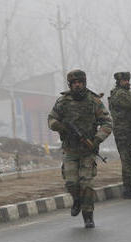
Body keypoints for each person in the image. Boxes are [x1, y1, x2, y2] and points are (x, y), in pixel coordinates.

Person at [48, 69, 112, 228]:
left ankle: (88, 216)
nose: (77, 85)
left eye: (80, 82)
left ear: (84, 83)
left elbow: (107, 122)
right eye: (74, 83)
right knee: (71, 183)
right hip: (70, 150)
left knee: (87, 184)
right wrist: (61, 127)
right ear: (70, 84)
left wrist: (96, 140)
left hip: (88, 151)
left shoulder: (94, 101)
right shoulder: (62, 102)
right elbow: (51, 119)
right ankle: (76, 200)